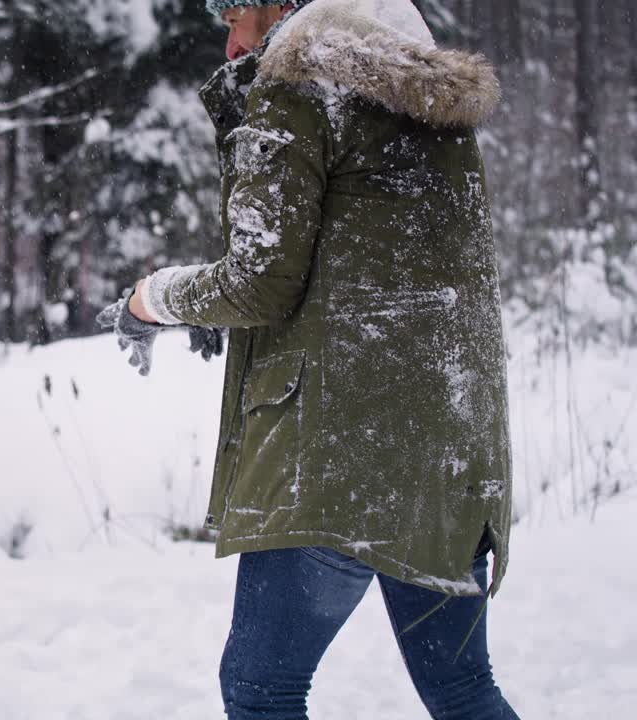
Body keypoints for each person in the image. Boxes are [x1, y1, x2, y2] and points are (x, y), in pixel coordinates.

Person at [98, 0, 520, 717]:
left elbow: (259, 279)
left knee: (261, 688)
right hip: (449, 445)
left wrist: (153, 298)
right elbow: (370, 266)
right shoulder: (425, 95)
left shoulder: (299, 77)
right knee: (461, 689)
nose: (231, 42)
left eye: (237, 16)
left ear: (285, 6)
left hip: (337, 453)